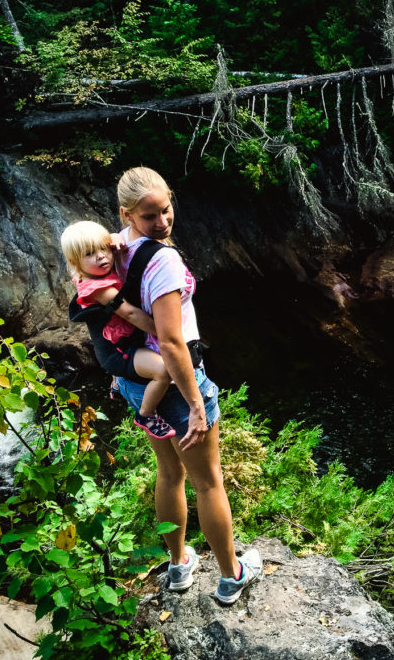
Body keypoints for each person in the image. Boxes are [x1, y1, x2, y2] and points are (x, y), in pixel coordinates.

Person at [112, 167, 261, 605]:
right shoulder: (162, 261)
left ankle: (179, 566)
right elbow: (172, 341)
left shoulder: (109, 250)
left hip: (138, 381)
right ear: (126, 213)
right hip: (177, 383)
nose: (162, 222)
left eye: (166, 210)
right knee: (209, 482)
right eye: (149, 216)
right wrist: (196, 403)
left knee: (169, 472)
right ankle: (231, 576)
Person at [60, 220, 175, 439]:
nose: (101, 256)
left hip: (115, 341)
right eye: (90, 253)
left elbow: (109, 245)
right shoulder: (99, 289)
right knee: (163, 371)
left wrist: (114, 238)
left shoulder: (89, 272)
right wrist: (163, 332)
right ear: (76, 262)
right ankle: (146, 414)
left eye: (104, 248)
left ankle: (116, 383)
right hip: (116, 353)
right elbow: (130, 313)